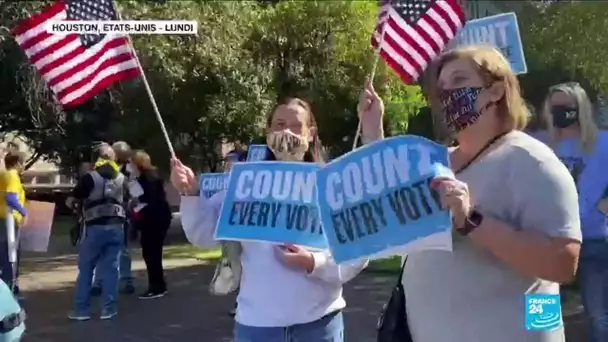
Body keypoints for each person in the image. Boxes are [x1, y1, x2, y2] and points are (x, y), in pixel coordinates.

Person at [367, 45, 581, 341]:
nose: (447, 94)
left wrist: (471, 221)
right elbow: (385, 194)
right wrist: (372, 128)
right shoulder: (437, 161)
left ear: (495, 91)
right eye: (441, 88)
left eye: (458, 81)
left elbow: (562, 263)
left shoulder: (530, 160)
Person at [171, 97, 370, 342]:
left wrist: (313, 262)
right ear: (267, 132)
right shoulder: (245, 185)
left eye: (296, 125)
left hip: (319, 325)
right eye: (279, 124)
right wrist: (191, 193)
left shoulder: (330, 184)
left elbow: (356, 252)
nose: (286, 131)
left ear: (311, 133)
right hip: (257, 327)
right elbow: (203, 234)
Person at [539, 82, 608, 342]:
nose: (560, 112)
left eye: (567, 107)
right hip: (545, 240)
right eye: (554, 107)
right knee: (540, 317)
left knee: (598, 316)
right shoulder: (539, 143)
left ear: (580, 109)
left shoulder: (602, 143)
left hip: (592, 238)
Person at [69, 144, 128, 321]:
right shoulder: (122, 178)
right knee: (111, 270)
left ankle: (82, 311)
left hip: (94, 227)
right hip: (117, 226)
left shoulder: (89, 178)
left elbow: (73, 199)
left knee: (86, 269)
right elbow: (131, 199)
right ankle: (108, 309)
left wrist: (75, 207)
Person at [91, 141, 135, 295]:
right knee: (105, 250)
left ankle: (125, 280)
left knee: (120, 250)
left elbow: (132, 194)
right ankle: (100, 282)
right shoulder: (103, 169)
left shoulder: (127, 172)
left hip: (120, 215)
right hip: (106, 214)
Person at [129, 150, 172, 299]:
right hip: (157, 218)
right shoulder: (152, 177)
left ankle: (156, 287)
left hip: (153, 220)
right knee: (153, 253)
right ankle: (158, 285)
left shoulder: (146, 180)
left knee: (151, 254)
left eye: (131, 163)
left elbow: (148, 199)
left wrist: (136, 203)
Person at [0, 152, 27, 298]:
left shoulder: (5, 175)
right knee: (10, 255)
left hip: (4, 218)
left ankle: (9, 287)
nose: (24, 166)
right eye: (23, 163)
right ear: (17, 162)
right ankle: (8, 291)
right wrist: (23, 211)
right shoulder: (12, 175)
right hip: (8, 220)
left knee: (5, 255)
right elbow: (10, 197)